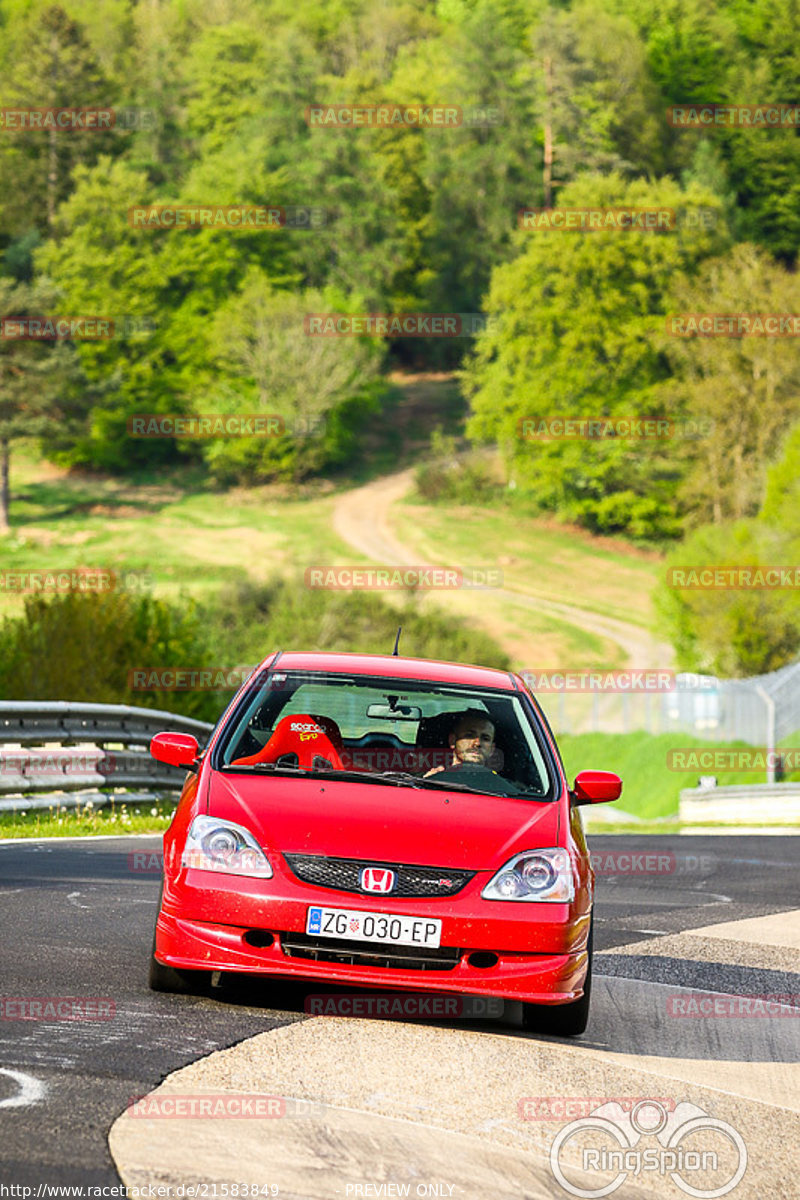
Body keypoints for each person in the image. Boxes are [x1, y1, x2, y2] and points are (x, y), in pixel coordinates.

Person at [423, 709, 496, 777]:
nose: (477, 743)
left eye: (485, 739)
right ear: (453, 741)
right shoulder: (427, 778)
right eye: (469, 736)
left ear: (492, 749)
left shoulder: (500, 786)